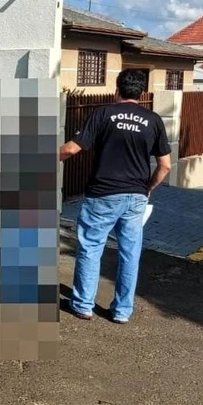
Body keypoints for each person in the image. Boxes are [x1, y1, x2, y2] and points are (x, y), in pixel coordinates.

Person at [58, 69, 172, 323]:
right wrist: (148, 188)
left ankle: (83, 305)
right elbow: (165, 166)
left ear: (116, 90)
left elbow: (72, 149)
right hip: (136, 196)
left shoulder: (103, 113)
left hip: (103, 194)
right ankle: (121, 311)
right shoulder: (153, 120)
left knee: (91, 247)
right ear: (141, 93)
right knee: (130, 253)